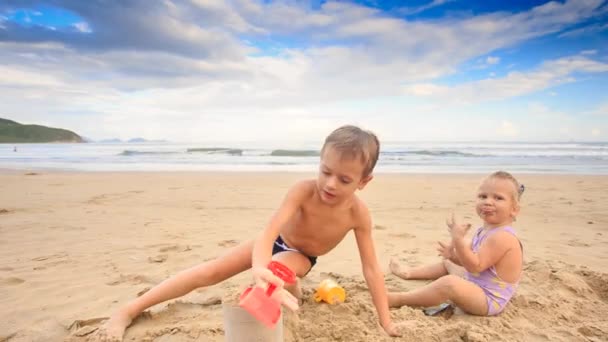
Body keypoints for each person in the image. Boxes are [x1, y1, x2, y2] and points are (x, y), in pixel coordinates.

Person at [100, 125, 402, 340]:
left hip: (302, 255)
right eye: (325, 171)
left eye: (344, 179)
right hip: (273, 241)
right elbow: (269, 232)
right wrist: (258, 267)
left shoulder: (358, 214)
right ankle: (130, 309)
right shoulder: (302, 191)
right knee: (209, 272)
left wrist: (385, 321)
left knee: (278, 269)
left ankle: (287, 291)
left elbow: (372, 270)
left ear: (364, 181)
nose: (331, 184)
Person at [388, 171, 524, 316]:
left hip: (488, 300)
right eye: (483, 196)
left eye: (498, 198)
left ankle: (399, 299)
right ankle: (409, 273)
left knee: (450, 283)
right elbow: (468, 262)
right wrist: (453, 257)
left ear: (514, 209)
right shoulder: (484, 231)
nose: (488, 201)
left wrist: (458, 241)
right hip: (476, 284)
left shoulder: (503, 237)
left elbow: (475, 267)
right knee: (448, 264)